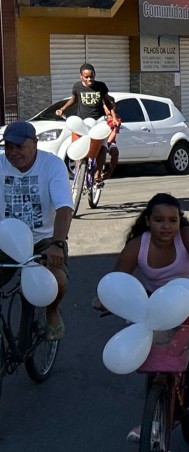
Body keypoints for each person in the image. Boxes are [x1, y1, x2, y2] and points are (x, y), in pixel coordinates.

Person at [103, 193, 189, 441]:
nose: (167, 226)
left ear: (179, 221)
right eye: (159, 220)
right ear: (147, 221)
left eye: (172, 220)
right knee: (157, 360)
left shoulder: (187, 237)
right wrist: (102, 299)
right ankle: (153, 420)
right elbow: (118, 278)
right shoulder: (137, 245)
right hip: (159, 301)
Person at [0, 122, 72, 340]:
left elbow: (64, 208)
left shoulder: (52, 165)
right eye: (9, 147)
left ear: (35, 144)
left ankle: (51, 311)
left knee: (56, 279)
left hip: (43, 240)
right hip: (7, 238)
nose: (13, 153)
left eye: (19, 146)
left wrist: (57, 243)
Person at [54, 63, 118, 183]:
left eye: (92, 76)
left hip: (98, 121)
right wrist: (62, 109)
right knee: (78, 145)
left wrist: (113, 117)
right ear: (81, 76)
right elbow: (73, 100)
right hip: (82, 123)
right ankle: (80, 169)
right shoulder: (77, 87)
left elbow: (108, 102)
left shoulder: (101, 86)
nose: (89, 79)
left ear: (94, 75)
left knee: (102, 147)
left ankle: (97, 174)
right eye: (86, 77)